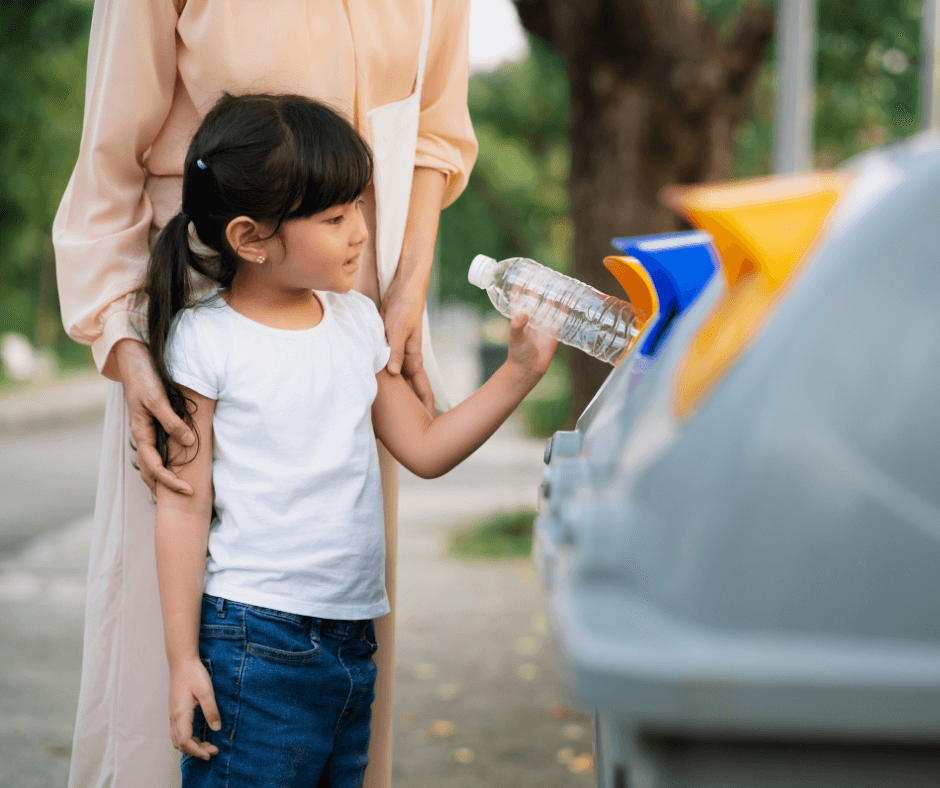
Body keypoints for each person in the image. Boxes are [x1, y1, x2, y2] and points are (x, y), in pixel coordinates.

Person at [53, 1, 477, 786]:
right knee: (173, 692)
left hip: (351, 302)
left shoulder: (357, 330)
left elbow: (435, 132)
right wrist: (127, 343)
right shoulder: (201, 344)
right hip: (194, 299)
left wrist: (404, 293)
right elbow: (108, 159)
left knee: (342, 677)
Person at [142, 91, 554, 786]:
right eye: (335, 217)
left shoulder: (358, 324)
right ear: (251, 239)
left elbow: (423, 448)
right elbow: (181, 504)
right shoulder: (206, 341)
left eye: (359, 206)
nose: (361, 231)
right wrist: (183, 660)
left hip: (350, 640)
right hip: (254, 643)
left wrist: (519, 374)